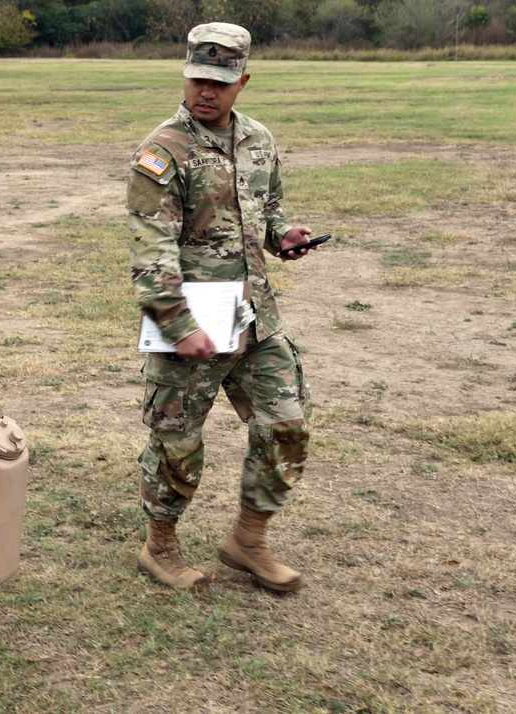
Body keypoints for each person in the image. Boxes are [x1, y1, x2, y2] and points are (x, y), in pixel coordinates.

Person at [127, 23, 315, 594]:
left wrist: (283, 233)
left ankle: (248, 541)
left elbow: (268, 206)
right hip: (195, 317)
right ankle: (159, 547)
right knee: (177, 440)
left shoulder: (258, 138)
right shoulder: (164, 150)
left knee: (286, 425)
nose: (206, 91)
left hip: (256, 317)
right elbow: (151, 248)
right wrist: (177, 325)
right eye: (198, 78)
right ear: (185, 73)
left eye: (221, 81)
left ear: (243, 81)